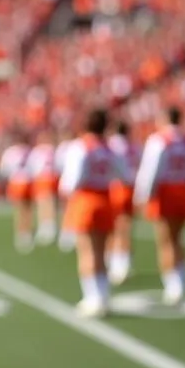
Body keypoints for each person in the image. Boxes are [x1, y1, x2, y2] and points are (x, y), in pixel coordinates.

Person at [134, 107, 185, 305]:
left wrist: (145, 194)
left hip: (165, 193)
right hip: (183, 191)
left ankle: (173, 284)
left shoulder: (159, 140)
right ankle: (181, 279)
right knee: (178, 238)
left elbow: (151, 170)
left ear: (165, 118)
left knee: (165, 240)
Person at [58, 109, 128, 317]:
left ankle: (93, 298)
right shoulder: (110, 148)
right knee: (101, 251)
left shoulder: (80, 147)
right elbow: (124, 175)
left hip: (86, 200)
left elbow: (72, 180)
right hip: (106, 199)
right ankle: (103, 295)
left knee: (87, 251)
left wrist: (67, 191)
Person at [107, 120, 140, 286]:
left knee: (114, 227)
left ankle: (116, 263)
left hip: (116, 187)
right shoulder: (134, 146)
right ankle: (124, 262)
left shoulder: (112, 145)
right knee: (126, 227)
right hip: (131, 188)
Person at [0, 132, 33, 253]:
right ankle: (26, 233)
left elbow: (4, 169)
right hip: (27, 182)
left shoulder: (11, 151)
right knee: (27, 209)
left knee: (20, 209)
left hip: (16, 182)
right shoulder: (29, 150)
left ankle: (21, 233)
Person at [27, 133, 59, 245]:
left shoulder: (38, 150)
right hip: (51, 178)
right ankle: (49, 226)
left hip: (42, 178)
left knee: (43, 203)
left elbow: (32, 165)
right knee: (50, 203)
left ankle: (46, 227)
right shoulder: (52, 149)